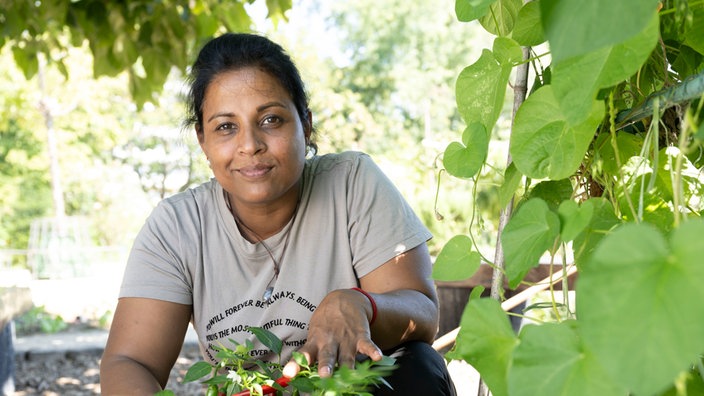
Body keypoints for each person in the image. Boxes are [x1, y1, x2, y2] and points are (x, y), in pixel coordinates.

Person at [100, 32, 456, 395]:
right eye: (225, 127)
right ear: (202, 141)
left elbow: (422, 321)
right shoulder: (177, 227)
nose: (250, 145)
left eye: (271, 120)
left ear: (306, 124)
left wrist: (360, 304)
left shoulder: (352, 183)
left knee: (419, 366)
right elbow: (131, 361)